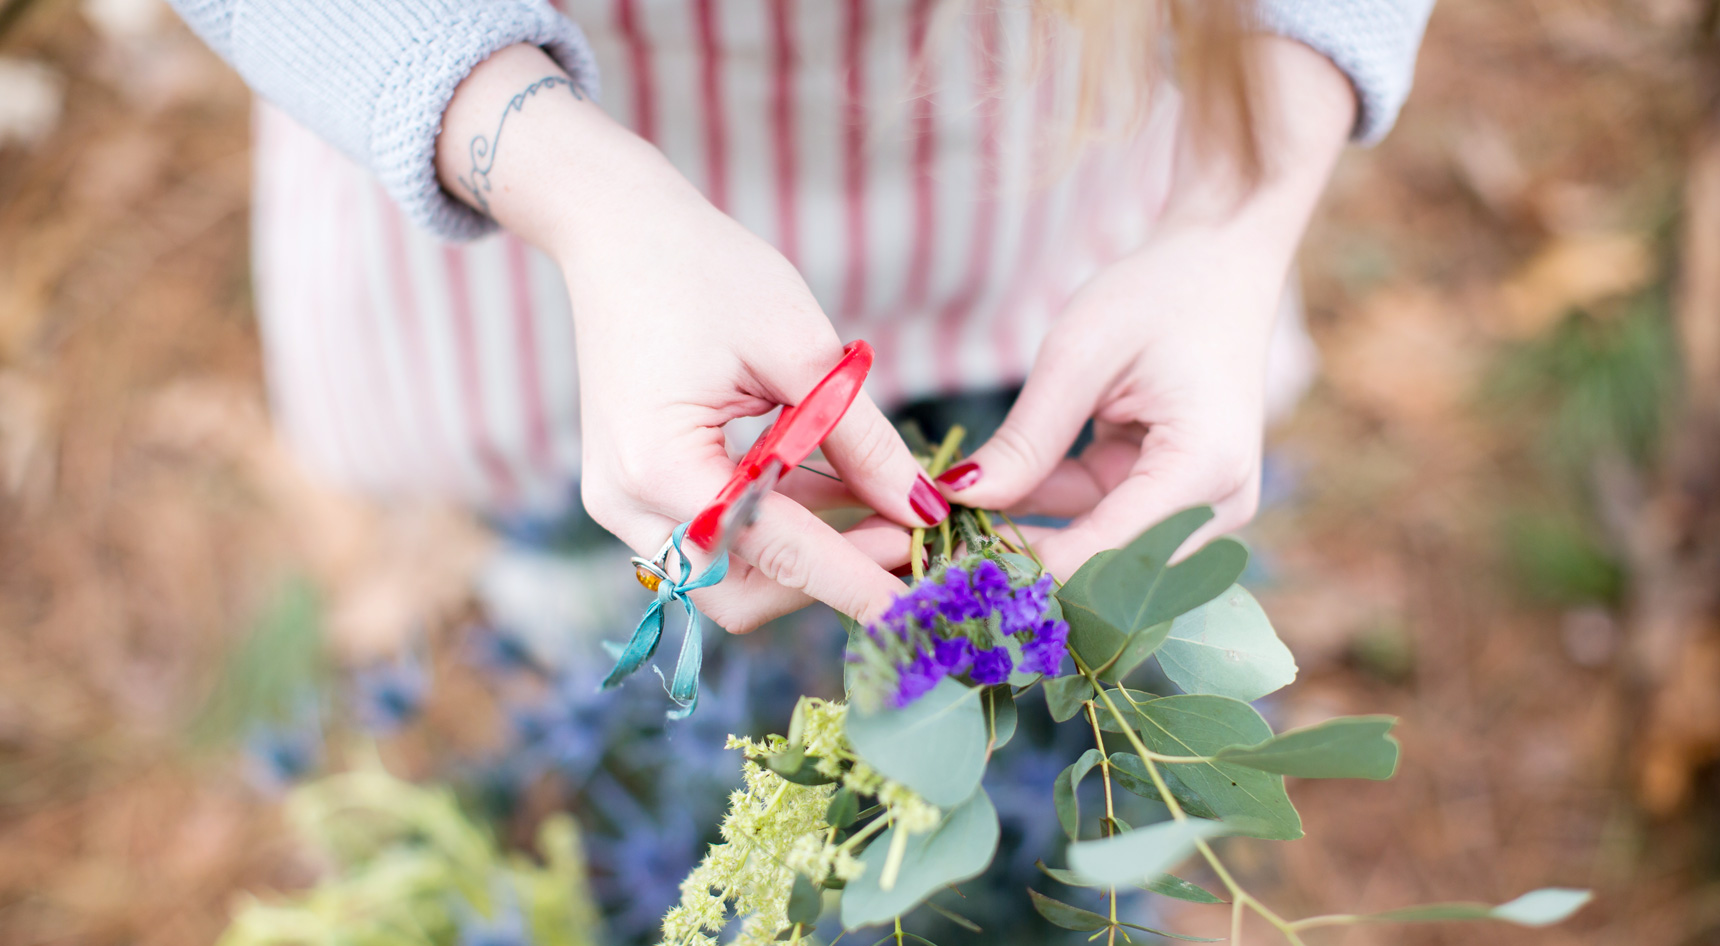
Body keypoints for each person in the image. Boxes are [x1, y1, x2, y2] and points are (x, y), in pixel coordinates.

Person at [167, 0, 1432, 633]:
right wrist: (583, 195)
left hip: (1058, 170)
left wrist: (1236, 214)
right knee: (608, 593)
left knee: (1088, 623)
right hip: (550, 217)